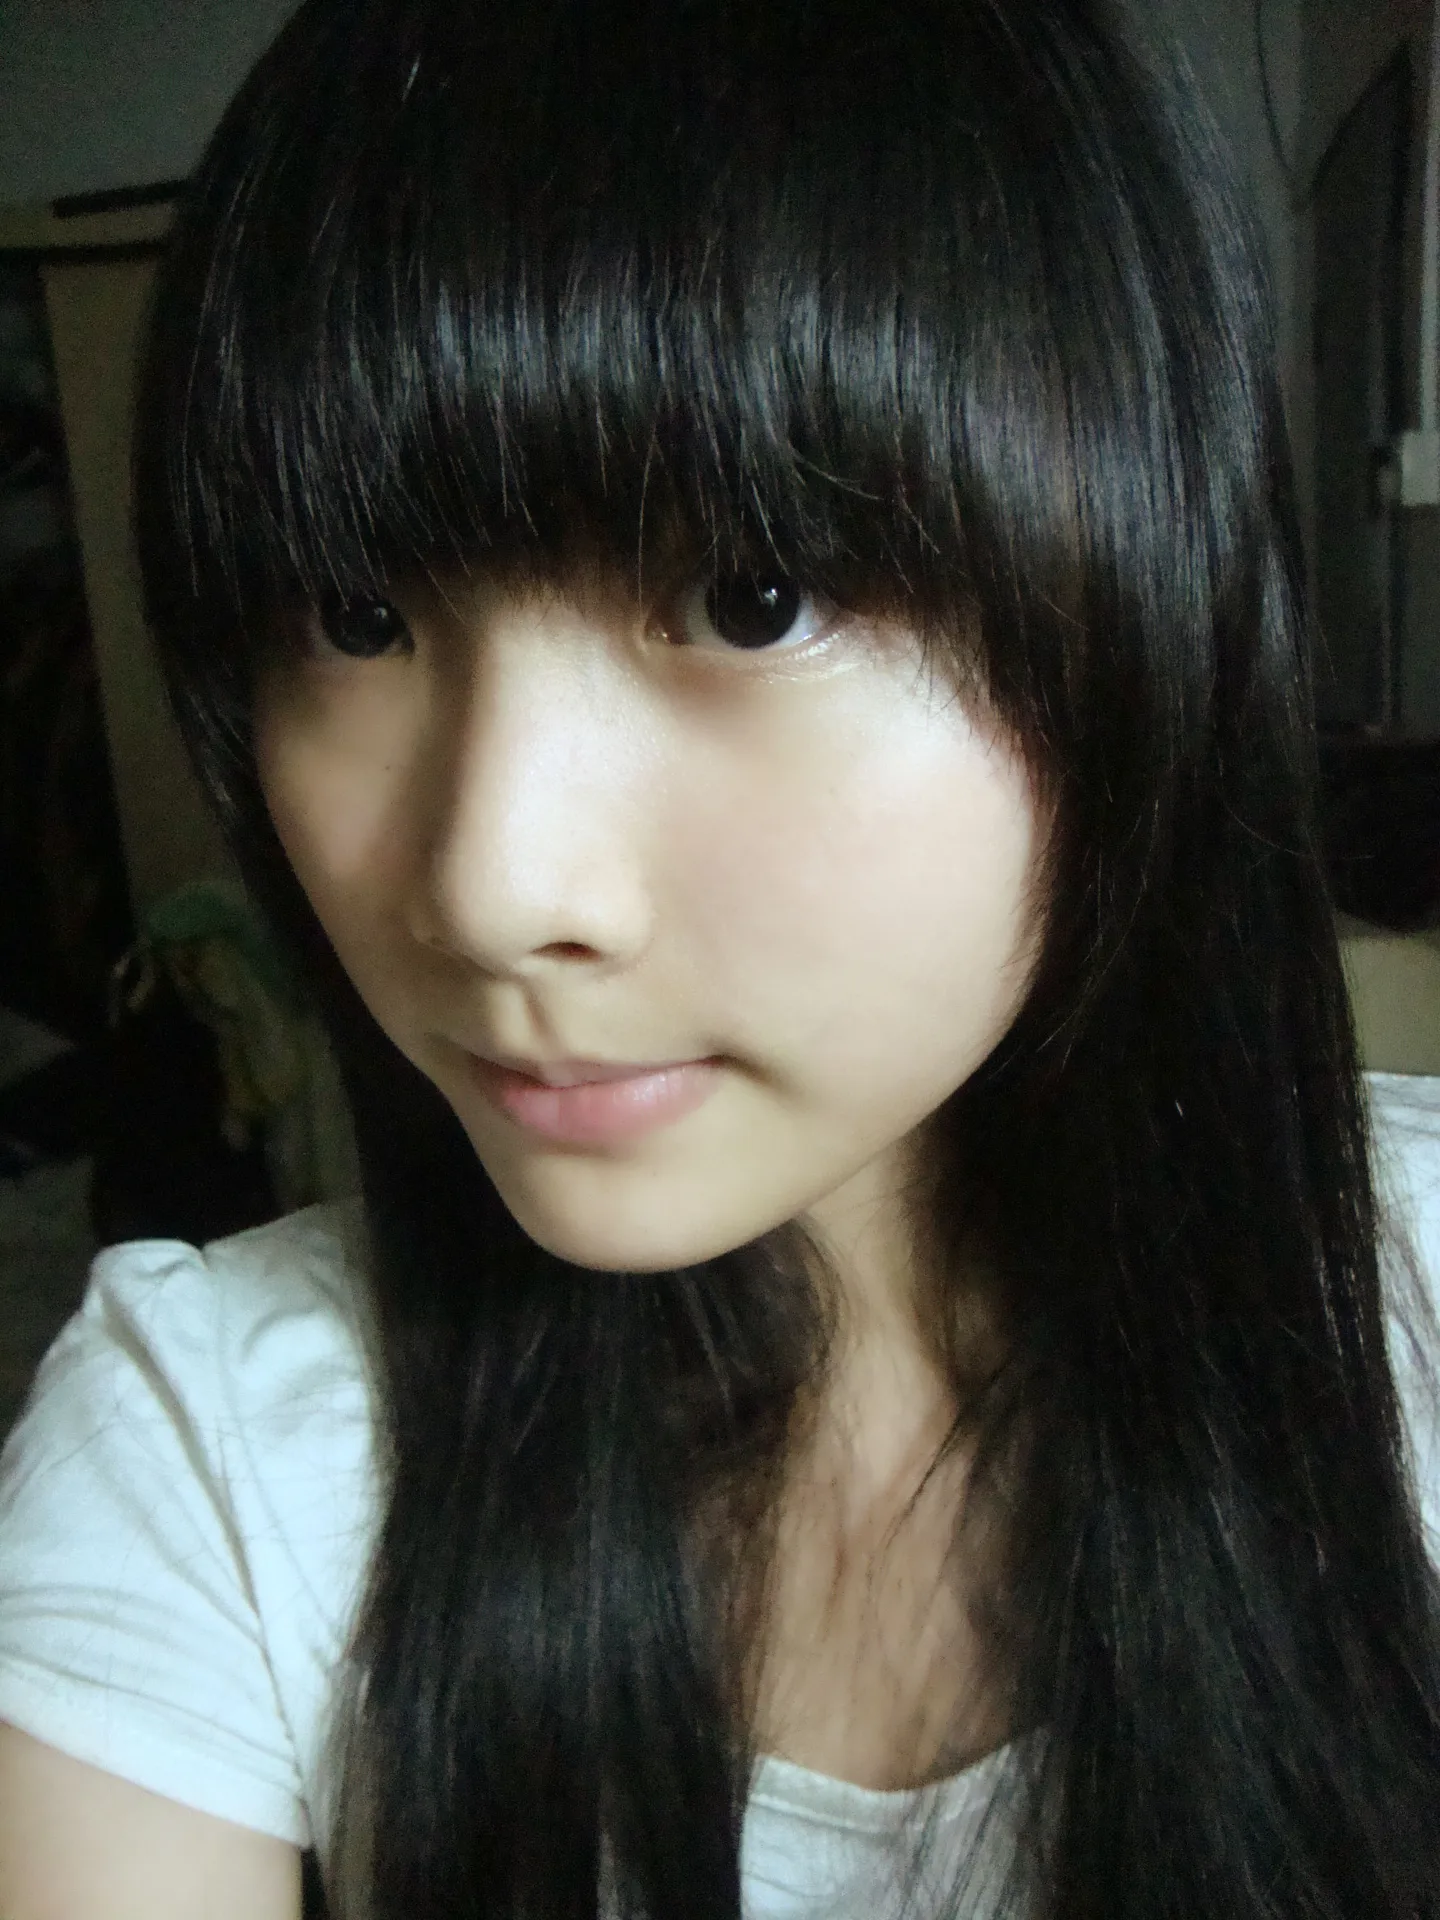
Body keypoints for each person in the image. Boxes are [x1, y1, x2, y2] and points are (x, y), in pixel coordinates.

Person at [1, 0, 1438, 1914]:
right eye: (352, 614)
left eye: (752, 598)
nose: (489, 886)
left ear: (1143, 606)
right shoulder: (212, 1456)